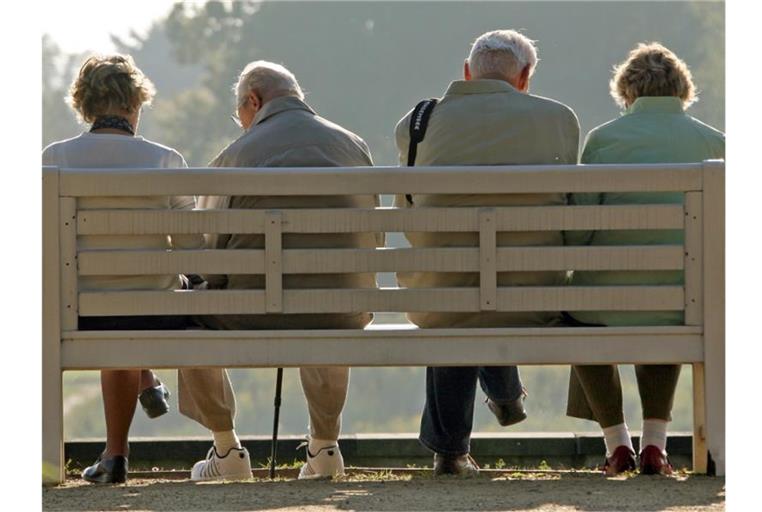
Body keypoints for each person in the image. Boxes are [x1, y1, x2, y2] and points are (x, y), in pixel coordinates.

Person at [178, 61, 380, 481]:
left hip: (249, 313)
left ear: (253, 100)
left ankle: (226, 451)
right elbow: (371, 241)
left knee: (185, 312)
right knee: (332, 295)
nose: (243, 125)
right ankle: (325, 449)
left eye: (242, 117)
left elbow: (206, 260)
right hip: (342, 312)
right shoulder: (353, 146)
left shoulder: (235, 157)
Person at [393, 30, 580, 475]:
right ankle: (505, 391)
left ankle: (451, 452)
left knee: (453, 288)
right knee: (496, 274)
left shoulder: (416, 123)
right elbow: (570, 206)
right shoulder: (559, 119)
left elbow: (407, 210)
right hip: (532, 297)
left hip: (441, 295)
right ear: (525, 76)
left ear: (466, 72)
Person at [565, 42, 725, 476]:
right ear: (682, 90)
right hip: (685, 302)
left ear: (627, 92)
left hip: (606, 304)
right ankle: (655, 446)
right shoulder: (715, 143)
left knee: (576, 316)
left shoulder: (603, 140)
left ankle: (617, 444)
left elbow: (578, 233)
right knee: (672, 299)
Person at [42, 54, 203, 483]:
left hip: (80, 311)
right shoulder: (165, 159)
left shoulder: (55, 158)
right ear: (135, 104)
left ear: (85, 105)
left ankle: (116, 453)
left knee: (110, 304)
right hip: (153, 311)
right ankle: (141, 389)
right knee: (148, 295)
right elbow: (193, 249)